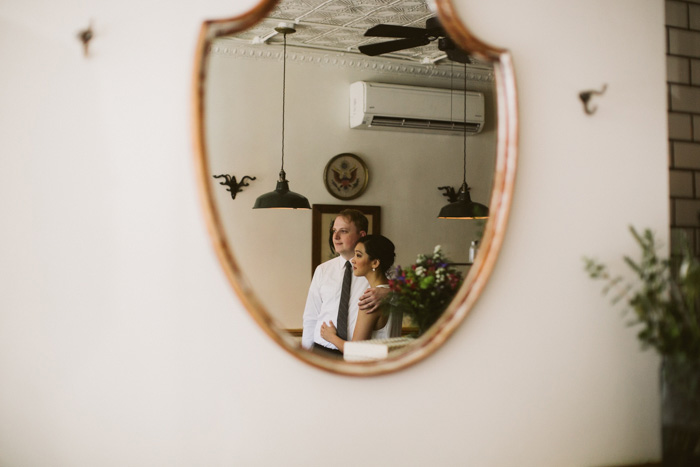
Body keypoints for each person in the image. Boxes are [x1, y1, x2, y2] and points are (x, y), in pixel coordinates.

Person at [301, 210, 388, 356]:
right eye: (334, 231)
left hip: (362, 353)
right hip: (322, 350)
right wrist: (305, 354)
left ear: (361, 235)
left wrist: (389, 292)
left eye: (343, 231)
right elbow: (311, 316)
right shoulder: (323, 270)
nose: (335, 237)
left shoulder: (378, 270)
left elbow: (407, 295)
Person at [320, 235, 401, 354]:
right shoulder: (395, 293)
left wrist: (331, 337)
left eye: (358, 255)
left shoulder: (371, 299)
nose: (353, 260)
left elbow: (356, 351)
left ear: (375, 263)